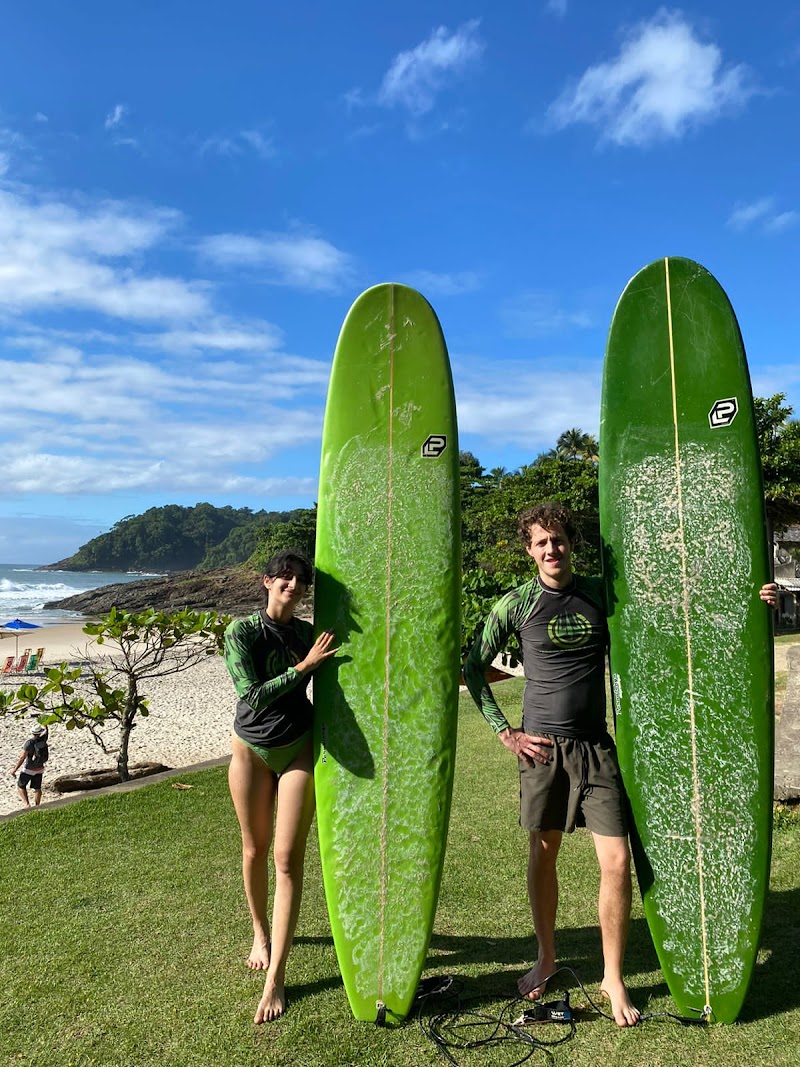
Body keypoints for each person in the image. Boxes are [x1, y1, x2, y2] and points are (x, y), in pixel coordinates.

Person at [463, 501, 778, 1027]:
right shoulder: (515, 604)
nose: (551, 549)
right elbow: (473, 666)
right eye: (540, 542)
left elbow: (674, 611)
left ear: (571, 543)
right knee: (544, 852)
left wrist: (749, 597)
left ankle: (612, 976)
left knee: (617, 861)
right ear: (529, 551)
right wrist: (506, 732)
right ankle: (546, 956)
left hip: (597, 748)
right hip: (543, 750)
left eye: (558, 539)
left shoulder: (601, 593)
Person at [223, 549, 337, 1025]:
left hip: (298, 748)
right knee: (254, 848)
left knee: (287, 858)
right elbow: (251, 694)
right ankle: (259, 931)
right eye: (284, 577)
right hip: (251, 749)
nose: (293, 585)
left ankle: (276, 977)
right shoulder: (242, 632)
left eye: (300, 580)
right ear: (267, 582)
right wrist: (303, 668)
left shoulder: (308, 634)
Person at [11, 723, 50, 807]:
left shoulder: (29, 743)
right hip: (40, 768)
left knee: (21, 786)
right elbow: (47, 732)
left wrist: (15, 769)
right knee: (37, 788)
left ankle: (27, 804)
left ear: (32, 733)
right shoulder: (43, 739)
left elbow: (22, 757)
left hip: (29, 769)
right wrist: (45, 725)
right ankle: (37, 805)